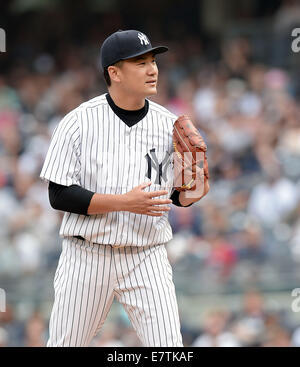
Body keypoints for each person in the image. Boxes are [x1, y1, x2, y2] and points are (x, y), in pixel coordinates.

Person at [40, 29, 209, 347]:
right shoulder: (78, 123)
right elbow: (58, 195)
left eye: (153, 60)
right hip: (87, 255)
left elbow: (180, 197)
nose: (152, 69)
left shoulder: (168, 124)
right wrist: (123, 202)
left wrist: (192, 184)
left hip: (147, 256)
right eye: (140, 62)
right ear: (114, 73)